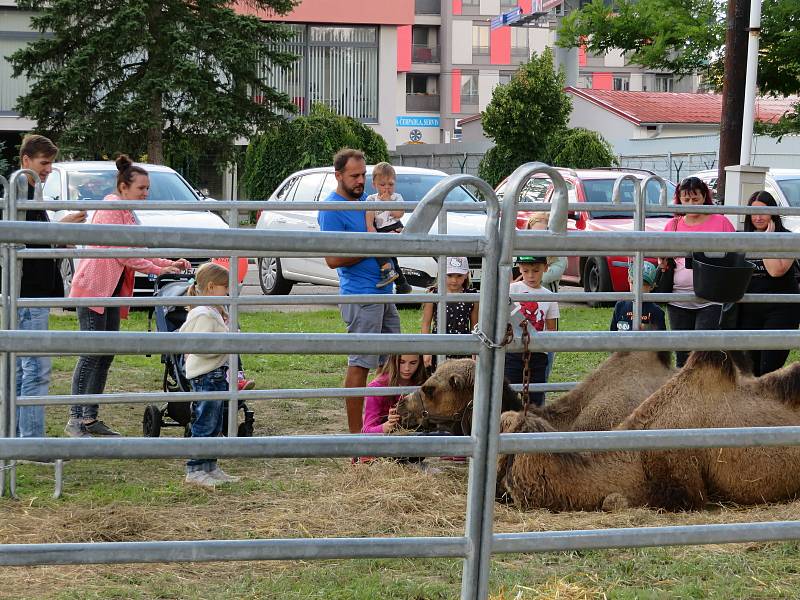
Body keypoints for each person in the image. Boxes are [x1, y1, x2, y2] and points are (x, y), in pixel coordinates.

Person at [66, 155, 190, 437]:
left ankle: (89, 417)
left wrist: (166, 263)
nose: (146, 193)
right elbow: (127, 254)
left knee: (104, 354)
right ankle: (76, 418)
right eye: (141, 188)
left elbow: (137, 249)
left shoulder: (126, 210)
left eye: (147, 188)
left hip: (109, 292)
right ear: (123, 187)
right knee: (91, 354)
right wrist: (161, 266)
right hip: (95, 291)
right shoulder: (112, 208)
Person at [318, 149, 401, 433]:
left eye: (363, 175)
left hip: (384, 291)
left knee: (394, 362)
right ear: (338, 175)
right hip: (361, 295)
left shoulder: (366, 202)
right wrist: (371, 247)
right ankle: (356, 442)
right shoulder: (332, 208)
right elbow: (332, 259)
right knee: (360, 365)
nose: (361, 181)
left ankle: (380, 430)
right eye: (355, 176)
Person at [12, 135, 87, 442]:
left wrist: (57, 236)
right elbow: (28, 238)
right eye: (44, 163)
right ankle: (30, 439)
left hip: (29, 289)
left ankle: (18, 435)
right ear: (26, 160)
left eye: (50, 164)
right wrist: (62, 227)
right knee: (36, 368)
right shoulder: (22, 186)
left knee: (23, 367)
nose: (47, 169)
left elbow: (31, 239)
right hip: (30, 290)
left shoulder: (28, 188)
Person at [657, 176, 735, 368]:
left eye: (695, 199)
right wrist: (663, 260)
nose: (691, 204)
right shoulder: (672, 225)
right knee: (682, 354)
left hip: (711, 297)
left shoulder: (721, 222)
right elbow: (662, 255)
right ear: (680, 199)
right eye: (686, 199)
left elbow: (735, 252)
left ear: (704, 198)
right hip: (679, 298)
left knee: (704, 352)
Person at [179, 262, 240, 489]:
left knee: (214, 422)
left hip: (215, 373)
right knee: (204, 421)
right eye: (226, 287)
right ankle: (195, 469)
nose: (228, 292)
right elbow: (201, 346)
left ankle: (210, 466)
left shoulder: (214, 311)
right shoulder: (204, 314)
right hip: (206, 374)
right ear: (212, 286)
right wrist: (227, 345)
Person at [737, 191, 800, 376]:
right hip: (748, 309)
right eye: (753, 212)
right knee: (750, 370)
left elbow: (776, 270)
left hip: (781, 310)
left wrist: (767, 238)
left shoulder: (786, 237)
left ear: (773, 212)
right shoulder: (740, 237)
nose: (758, 217)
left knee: (769, 370)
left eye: (763, 211)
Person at [506, 256, 559, 406]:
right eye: (526, 270)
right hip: (512, 352)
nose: (530, 275)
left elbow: (551, 330)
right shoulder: (511, 290)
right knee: (508, 395)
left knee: (535, 398)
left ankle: (533, 426)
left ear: (545, 268)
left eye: (536, 271)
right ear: (520, 269)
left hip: (537, 355)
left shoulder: (549, 297)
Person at [525, 212, 567, 382]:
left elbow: (548, 276)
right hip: (521, 309)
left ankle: (540, 386)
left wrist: (526, 269)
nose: (540, 239)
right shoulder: (519, 252)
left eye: (545, 233)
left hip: (546, 311)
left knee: (547, 347)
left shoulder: (558, 257)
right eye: (535, 234)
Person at [421, 256, 478, 369]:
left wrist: (475, 350)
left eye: (459, 276)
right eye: (450, 275)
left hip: (463, 346)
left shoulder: (472, 296)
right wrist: (426, 351)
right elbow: (426, 324)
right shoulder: (434, 295)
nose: (454, 280)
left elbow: (475, 326)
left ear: (466, 274)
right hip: (438, 345)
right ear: (442, 273)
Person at [365, 162, 412, 293]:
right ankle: (402, 284)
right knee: (389, 257)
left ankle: (388, 271)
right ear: (374, 185)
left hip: (395, 227)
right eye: (382, 184)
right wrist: (370, 227)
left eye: (390, 184)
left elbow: (399, 213)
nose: (387, 188)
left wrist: (388, 202)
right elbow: (369, 213)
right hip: (380, 229)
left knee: (382, 252)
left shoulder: (397, 197)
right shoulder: (371, 199)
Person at [361, 354, 429, 434]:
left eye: (413, 363)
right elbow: (366, 430)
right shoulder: (377, 387)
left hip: (419, 434)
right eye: (401, 362)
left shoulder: (423, 384)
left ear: (420, 362)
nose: (407, 368)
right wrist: (386, 426)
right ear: (393, 361)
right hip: (387, 440)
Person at [610, 261, 666, 331]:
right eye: (635, 282)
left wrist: (647, 328)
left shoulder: (657, 312)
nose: (638, 287)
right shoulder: (620, 306)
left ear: (652, 286)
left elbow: (660, 339)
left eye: (644, 284)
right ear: (629, 279)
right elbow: (612, 334)